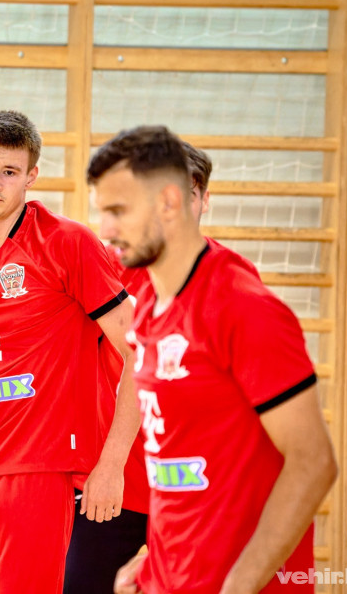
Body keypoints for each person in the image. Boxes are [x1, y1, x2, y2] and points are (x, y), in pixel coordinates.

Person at [87, 125, 337, 594]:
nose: (106, 230)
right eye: (103, 212)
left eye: (119, 211)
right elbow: (185, 465)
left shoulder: (243, 307)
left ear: (169, 201)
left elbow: (314, 462)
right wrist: (157, 562)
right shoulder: (150, 309)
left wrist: (239, 583)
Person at [0, 110, 140, 594]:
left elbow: (139, 352)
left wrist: (111, 464)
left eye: (9, 172)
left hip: (33, 472)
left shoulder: (66, 243)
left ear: (31, 177)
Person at [64, 141, 214, 594]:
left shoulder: (231, 280)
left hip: (195, 491)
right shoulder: (110, 268)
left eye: (188, 195)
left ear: (205, 200)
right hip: (113, 487)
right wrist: (104, 465)